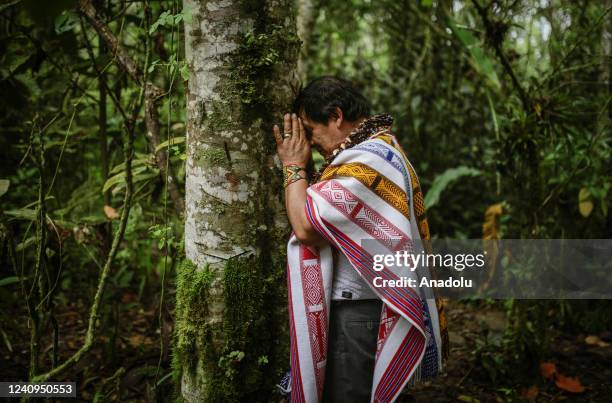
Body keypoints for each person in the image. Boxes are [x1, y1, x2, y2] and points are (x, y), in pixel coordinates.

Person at [272, 76, 448, 403]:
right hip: (364, 309)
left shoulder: (368, 160)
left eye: (310, 132)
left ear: (336, 116)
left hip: (359, 313)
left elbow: (306, 226)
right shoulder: (382, 150)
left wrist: (293, 166)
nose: (310, 144)